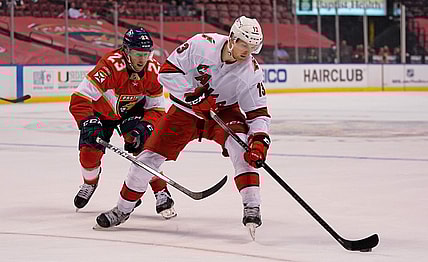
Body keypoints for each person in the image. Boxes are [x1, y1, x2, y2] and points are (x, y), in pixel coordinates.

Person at [95, 16, 271, 233]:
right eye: (244, 44)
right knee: (146, 159)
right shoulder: (201, 44)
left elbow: (258, 113)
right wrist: (192, 96)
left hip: (223, 113)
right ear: (232, 38)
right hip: (184, 112)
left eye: (253, 47)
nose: (248, 51)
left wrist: (260, 141)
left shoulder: (252, 72)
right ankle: (122, 209)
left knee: (242, 147)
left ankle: (252, 207)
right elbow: (166, 73)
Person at [69, 27, 176, 220]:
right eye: (137, 54)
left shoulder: (153, 71)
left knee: (144, 148)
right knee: (88, 155)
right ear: (126, 51)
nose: (142, 59)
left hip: (131, 112)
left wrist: (144, 127)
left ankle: (161, 191)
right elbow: (79, 98)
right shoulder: (109, 67)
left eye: (146, 54)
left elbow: (158, 109)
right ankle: (90, 182)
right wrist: (87, 122)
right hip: (101, 113)